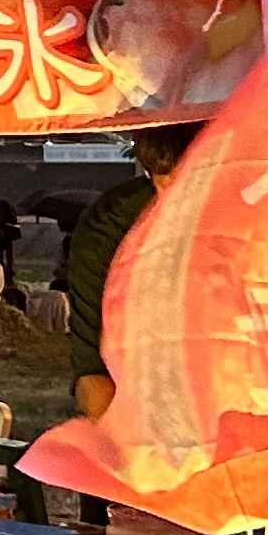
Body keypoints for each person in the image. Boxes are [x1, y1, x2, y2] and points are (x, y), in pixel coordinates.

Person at [65, 131, 186, 420]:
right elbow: (91, 373)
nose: (176, 204)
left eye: (197, 184)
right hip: (142, 418)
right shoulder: (109, 225)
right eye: (161, 184)